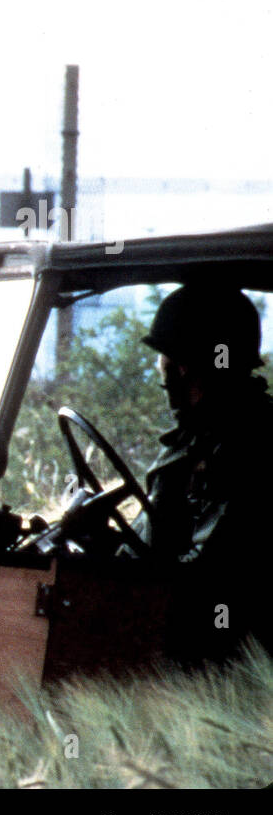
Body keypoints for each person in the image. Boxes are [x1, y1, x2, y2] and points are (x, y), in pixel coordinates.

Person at [138, 283, 273, 664]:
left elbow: (210, 567)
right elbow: (150, 538)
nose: (160, 372)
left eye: (163, 359)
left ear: (183, 367)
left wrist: (117, 578)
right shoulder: (198, 437)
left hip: (222, 645)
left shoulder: (246, 445)